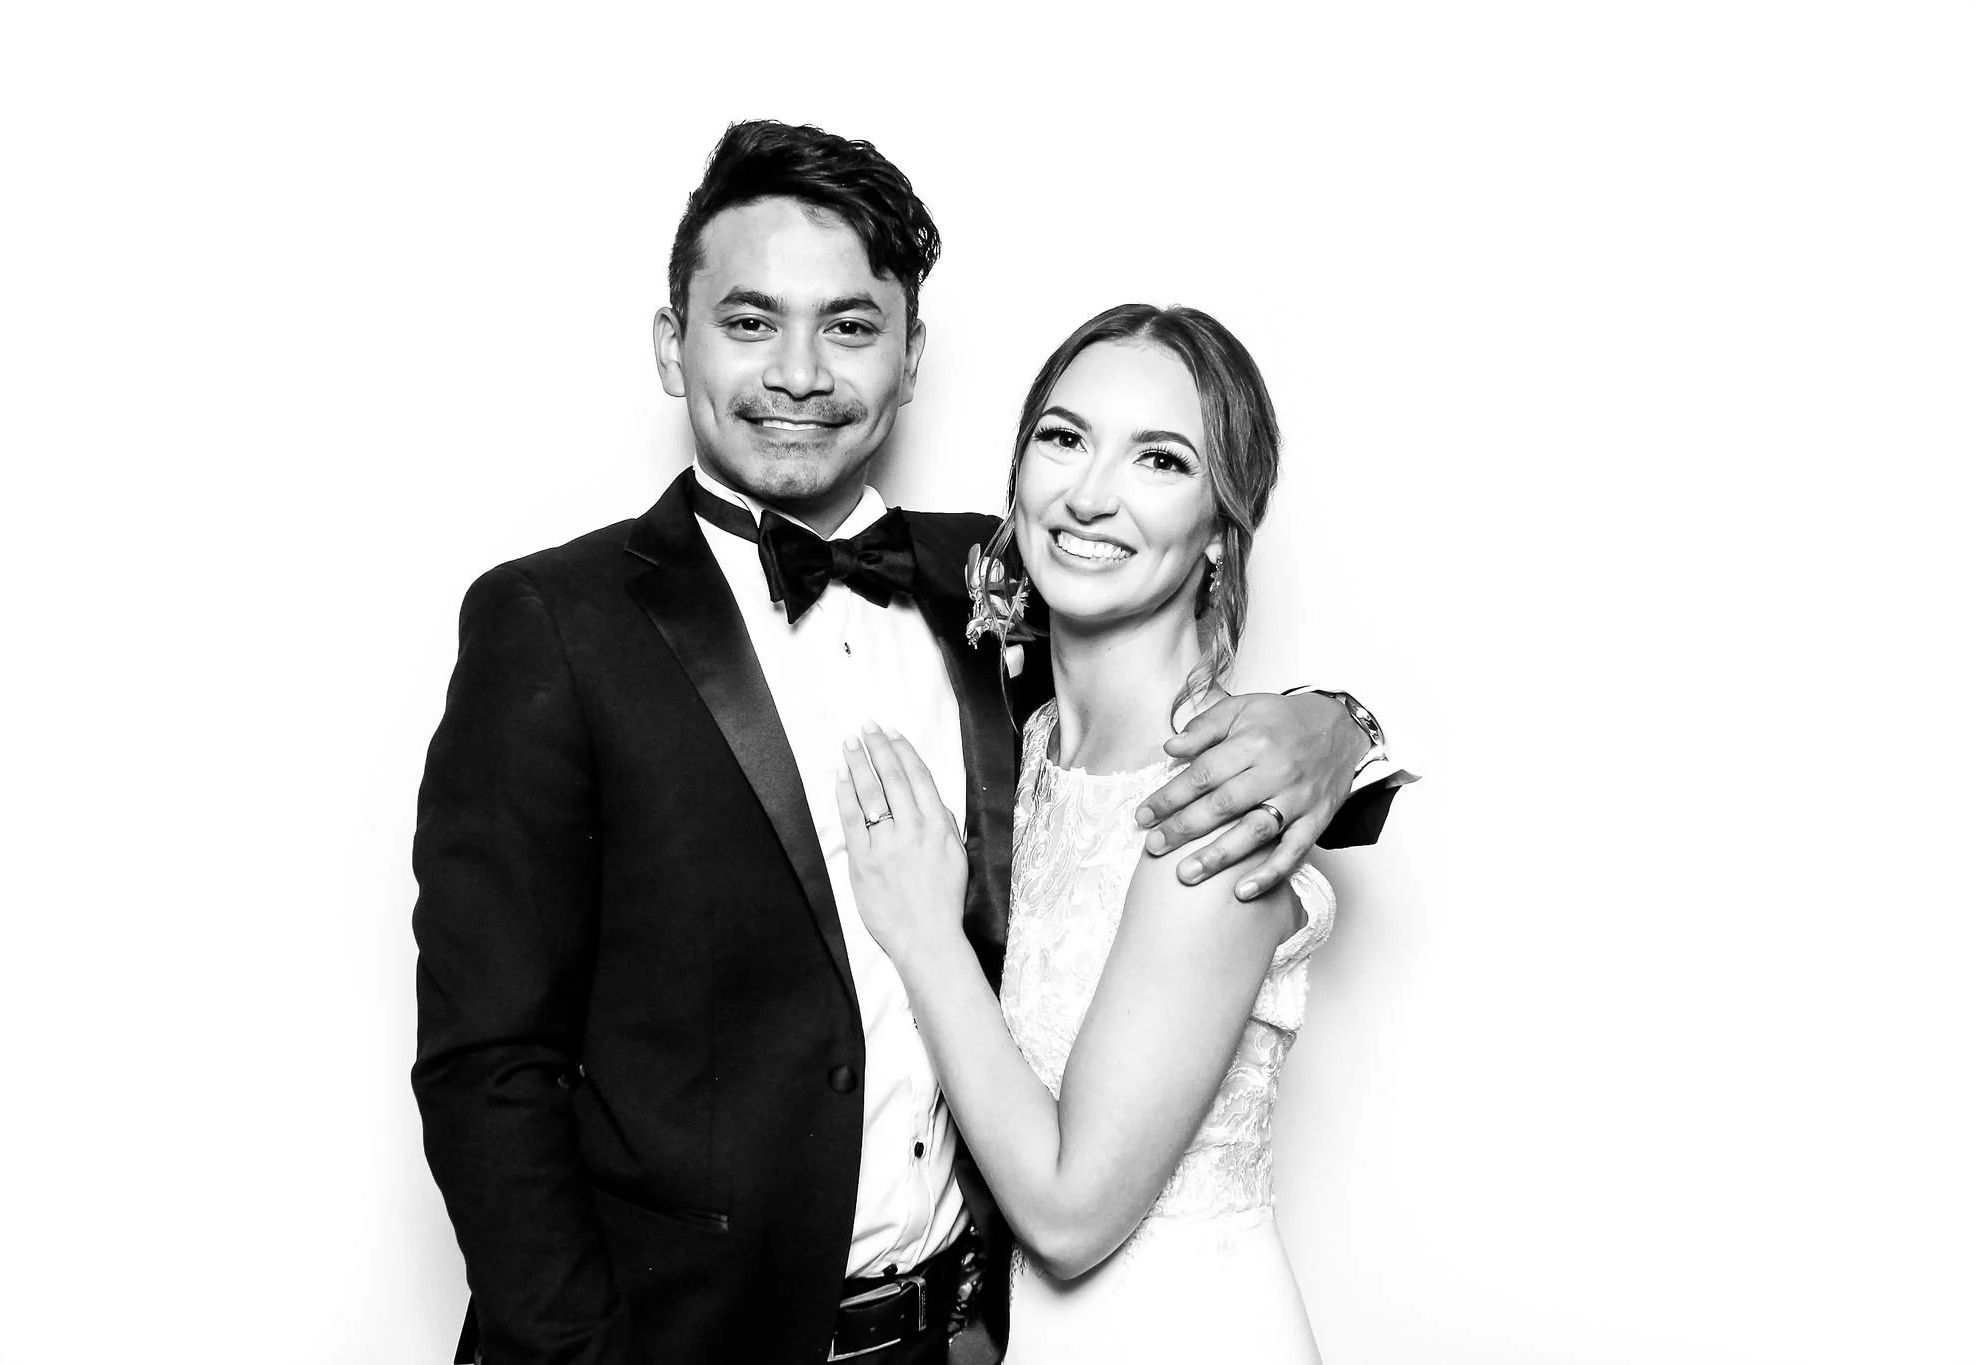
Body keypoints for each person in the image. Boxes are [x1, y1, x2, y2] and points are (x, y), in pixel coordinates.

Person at [411, 121, 1407, 1365]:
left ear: (911, 355)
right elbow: (487, 1070)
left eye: (847, 324)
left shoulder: (1001, 576)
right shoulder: (549, 625)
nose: (798, 371)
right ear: (673, 347)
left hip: (965, 1340)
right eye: (748, 320)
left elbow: (1176, 719)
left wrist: (1336, 724)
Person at [838, 304, 1348, 1362]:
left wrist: (923, 933)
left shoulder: (1211, 810)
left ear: (1220, 526)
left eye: (1158, 459)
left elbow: (1072, 1219)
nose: (1087, 493)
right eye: (1063, 438)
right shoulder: (1021, 740)